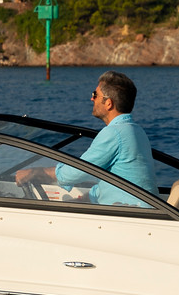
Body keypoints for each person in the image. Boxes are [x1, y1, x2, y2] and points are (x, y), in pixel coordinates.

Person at [17, 71, 157, 206]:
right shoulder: (137, 131)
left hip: (128, 212)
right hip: (136, 209)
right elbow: (117, 179)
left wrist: (37, 172)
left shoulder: (114, 133)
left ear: (108, 103)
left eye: (95, 95)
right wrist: (83, 199)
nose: (91, 98)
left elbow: (77, 171)